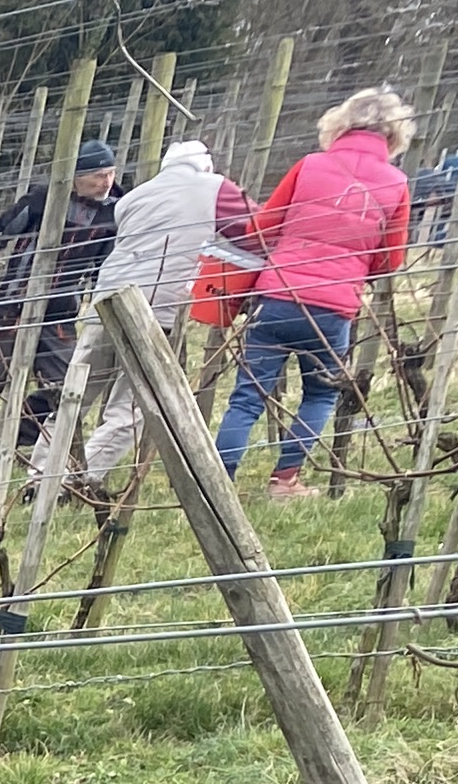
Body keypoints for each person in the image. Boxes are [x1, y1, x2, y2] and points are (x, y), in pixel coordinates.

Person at [216, 85, 416, 496]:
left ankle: (215, 480)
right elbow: (391, 260)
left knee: (247, 397)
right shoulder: (397, 183)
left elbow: (261, 227)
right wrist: (354, 267)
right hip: (334, 309)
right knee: (321, 396)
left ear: (340, 124)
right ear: (396, 135)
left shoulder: (309, 165)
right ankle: (285, 480)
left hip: (277, 296)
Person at [74, 133, 262, 487]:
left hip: (106, 299)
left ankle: (42, 473)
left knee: (76, 391)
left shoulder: (133, 196)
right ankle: (83, 476)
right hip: (156, 308)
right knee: (133, 404)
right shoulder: (214, 188)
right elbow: (259, 232)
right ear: (205, 165)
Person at [0, 139, 119, 471]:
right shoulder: (43, 198)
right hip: (13, 305)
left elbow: (105, 266)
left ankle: (12, 446)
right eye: (98, 176)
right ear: (76, 176)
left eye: (110, 173)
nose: (106, 182)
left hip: (60, 314)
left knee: (61, 387)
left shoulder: (115, 211)